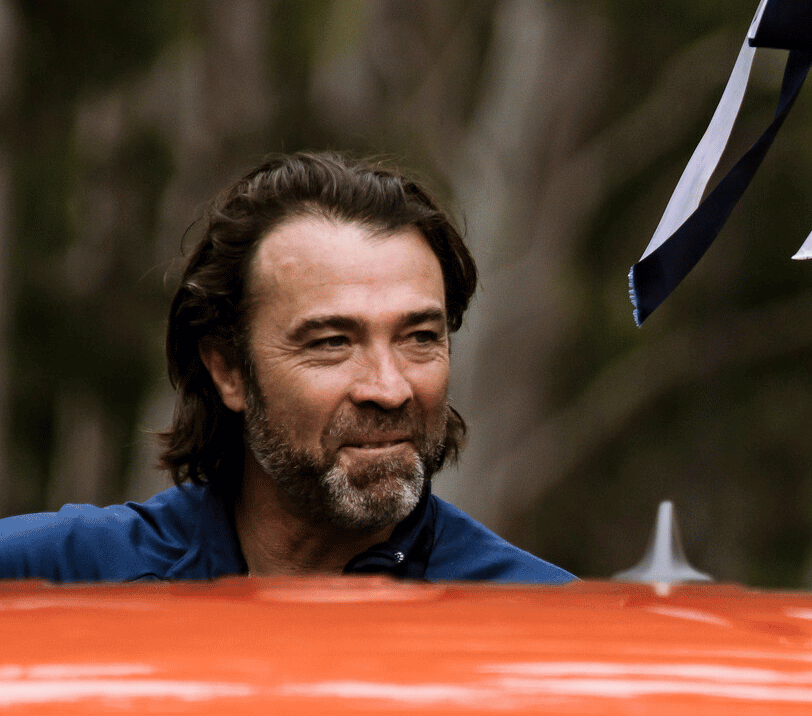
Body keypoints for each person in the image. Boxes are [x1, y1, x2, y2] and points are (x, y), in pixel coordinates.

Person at [0, 151, 571, 583]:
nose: (390, 388)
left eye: (420, 338)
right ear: (229, 371)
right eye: (331, 343)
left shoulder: (542, 628)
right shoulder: (57, 581)